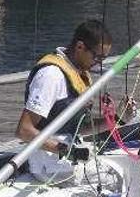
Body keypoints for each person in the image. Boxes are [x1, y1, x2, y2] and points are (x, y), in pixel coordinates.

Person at [16, 20, 112, 182]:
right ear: (80, 47)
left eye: (104, 58)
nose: (99, 63)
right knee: (117, 179)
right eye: (97, 57)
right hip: (49, 165)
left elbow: (79, 128)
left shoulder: (78, 73)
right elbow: (24, 131)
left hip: (69, 157)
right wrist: (67, 151)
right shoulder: (51, 76)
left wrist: (118, 119)